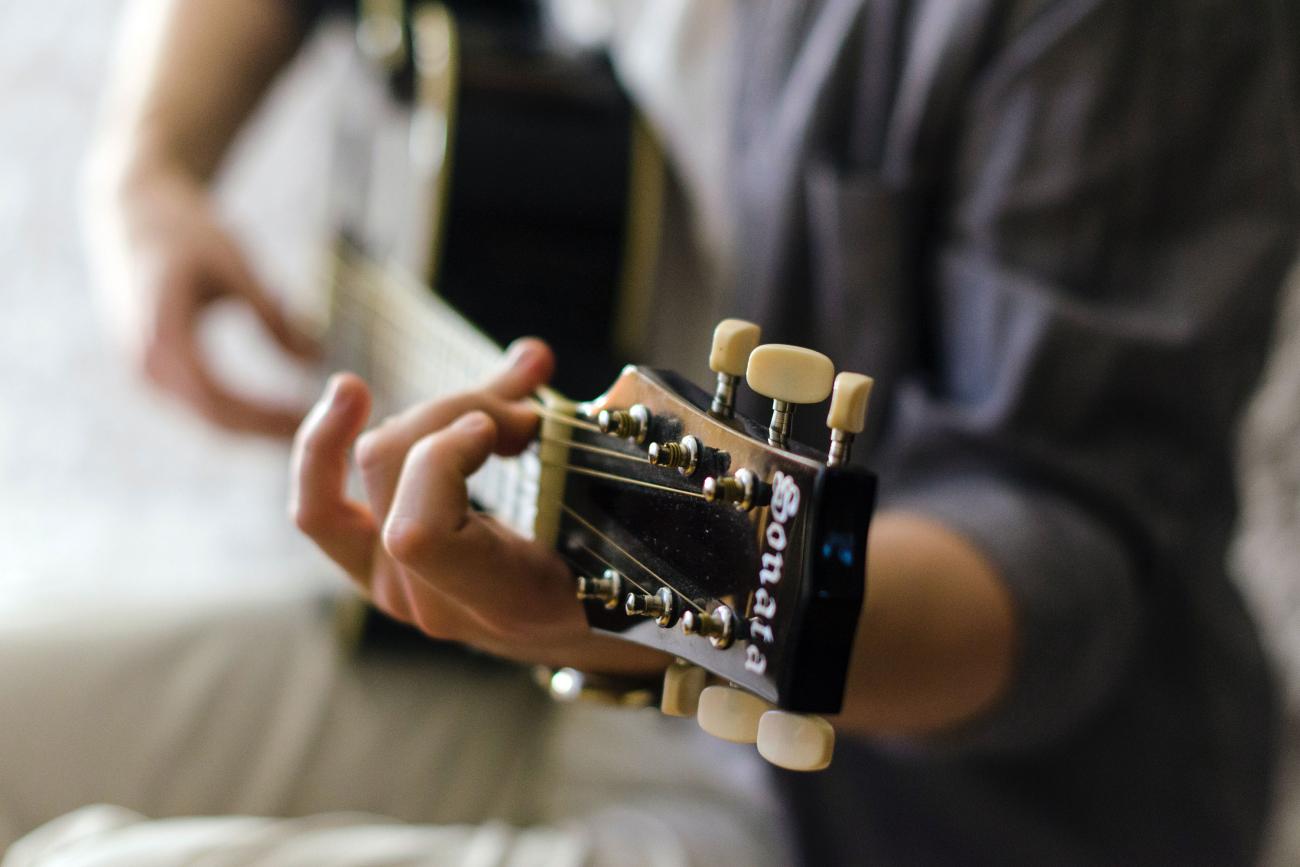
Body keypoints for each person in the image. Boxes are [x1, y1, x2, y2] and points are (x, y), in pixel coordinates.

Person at [7, 0, 1297, 864]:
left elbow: (1075, 558)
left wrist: (677, 594)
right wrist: (148, 164)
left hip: (866, 809)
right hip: (484, 658)